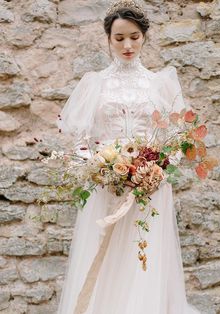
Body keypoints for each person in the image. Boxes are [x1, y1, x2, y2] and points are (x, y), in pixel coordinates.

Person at [57, 1, 201, 313]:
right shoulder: (95, 83)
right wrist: (99, 168)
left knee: (143, 257)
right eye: (119, 38)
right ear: (108, 38)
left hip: (150, 189)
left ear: (144, 37)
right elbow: (80, 141)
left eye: (134, 37)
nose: (127, 45)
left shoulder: (159, 83)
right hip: (106, 188)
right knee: (104, 256)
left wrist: (157, 171)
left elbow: (176, 141)